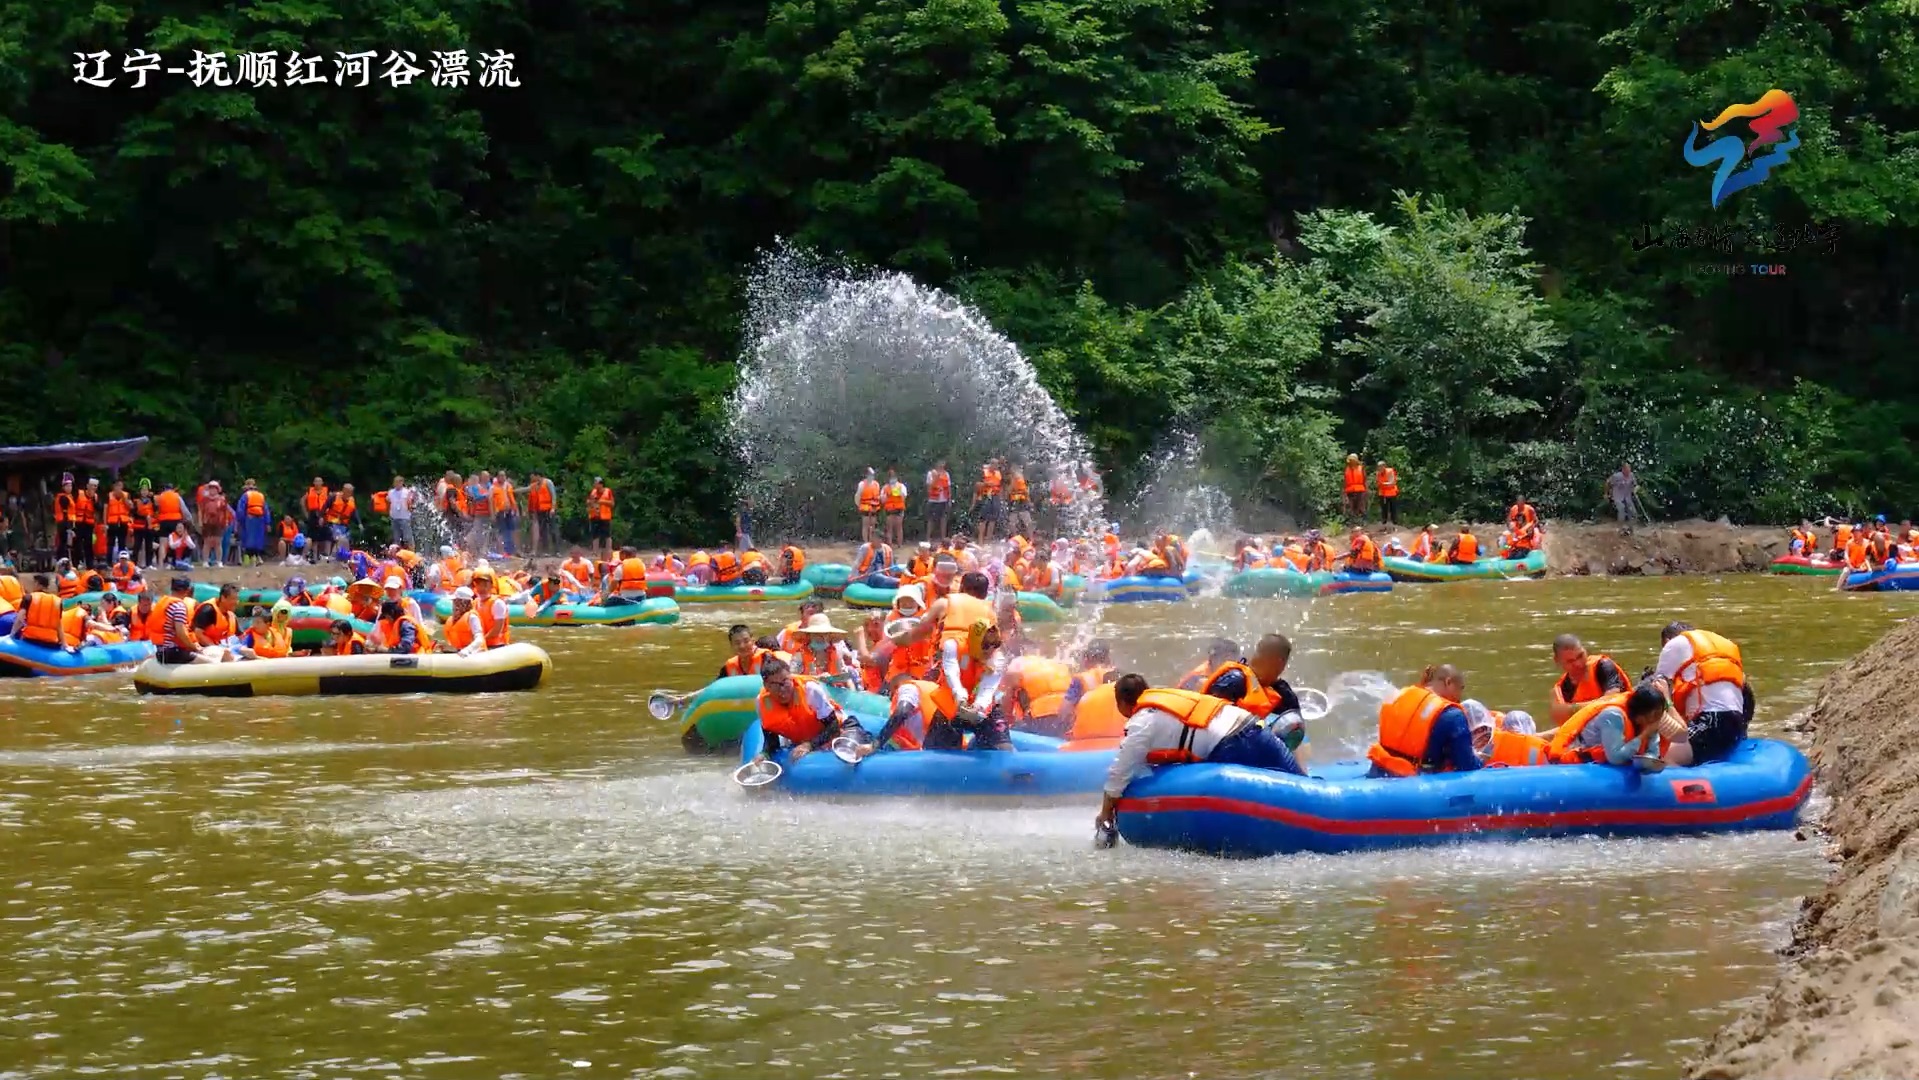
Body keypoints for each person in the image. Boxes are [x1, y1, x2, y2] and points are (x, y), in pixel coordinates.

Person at [1093, 675, 1306, 834]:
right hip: (1254, 726)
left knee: (1254, 811)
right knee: (1302, 786)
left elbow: (1119, 772)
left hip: (1230, 744)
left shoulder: (1141, 722)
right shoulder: (1169, 699)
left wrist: (1105, 813)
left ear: (1121, 704)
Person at [1651, 622, 1751, 765]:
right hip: (1736, 726)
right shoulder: (1723, 646)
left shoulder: (1673, 645)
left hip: (1711, 724)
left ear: (1666, 642)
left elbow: (1654, 694)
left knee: (1662, 759)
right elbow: (1746, 692)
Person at [1366, 664, 1481, 776]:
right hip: (1411, 782)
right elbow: (1466, 767)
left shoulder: (1400, 696)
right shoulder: (1453, 716)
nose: (1460, 697)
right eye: (1460, 688)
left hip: (1377, 770)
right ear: (1448, 682)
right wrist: (1483, 757)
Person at [1198, 633, 1307, 750]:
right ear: (1280, 663)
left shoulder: (1285, 695)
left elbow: (1295, 737)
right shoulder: (1233, 681)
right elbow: (1205, 727)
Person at [751, 658, 870, 764]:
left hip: (842, 729)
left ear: (791, 678)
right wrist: (765, 754)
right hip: (809, 739)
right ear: (766, 686)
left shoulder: (810, 690)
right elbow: (772, 742)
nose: (782, 689)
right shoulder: (761, 703)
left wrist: (809, 745)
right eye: (775, 685)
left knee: (848, 759)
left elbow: (833, 727)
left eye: (785, 682)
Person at [1544, 681, 1682, 766]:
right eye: (1655, 715)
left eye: (1660, 714)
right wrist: (1644, 735)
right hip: (1575, 759)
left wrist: (1649, 761)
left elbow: (1654, 751)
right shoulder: (1613, 716)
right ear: (1642, 714)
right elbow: (1615, 758)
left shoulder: (1650, 718)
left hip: (1608, 759)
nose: (1658, 720)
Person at [1547, 634, 1631, 723]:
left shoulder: (1602, 666)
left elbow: (1612, 700)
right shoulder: (1562, 689)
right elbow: (1566, 726)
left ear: (1585, 650)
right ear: (1557, 661)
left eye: (1580, 656)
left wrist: (1572, 709)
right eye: (1570, 661)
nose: (1578, 664)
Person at [8, 576, 70, 652]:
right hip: (50, 642)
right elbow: (59, 625)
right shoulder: (57, 601)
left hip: (30, 639)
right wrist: (65, 644)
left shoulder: (29, 597)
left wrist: (11, 635)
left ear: (38, 584)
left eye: (34, 583)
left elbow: (20, 619)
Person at [440, 587, 488, 655]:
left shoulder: (472, 617)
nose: (454, 604)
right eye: (454, 601)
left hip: (476, 654)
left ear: (463, 602)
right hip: (459, 653)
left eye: (456, 601)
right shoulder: (453, 619)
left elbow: (479, 639)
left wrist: (468, 650)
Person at [525, 471, 556, 557]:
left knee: (553, 530)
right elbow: (525, 489)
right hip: (540, 511)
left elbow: (553, 495)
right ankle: (546, 551)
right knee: (543, 531)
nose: (531, 479)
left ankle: (557, 550)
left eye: (532, 477)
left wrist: (553, 508)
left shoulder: (548, 482)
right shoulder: (534, 485)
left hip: (549, 509)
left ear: (537, 476)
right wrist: (512, 491)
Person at [971, 462, 1002, 543]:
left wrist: (1001, 498)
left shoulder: (998, 473)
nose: (996, 466)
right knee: (983, 520)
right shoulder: (983, 472)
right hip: (985, 497)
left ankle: (988, 541)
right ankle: (980, 541)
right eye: (994, 464)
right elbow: (976, 485)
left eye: (997, 465)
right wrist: (986, 484)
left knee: (993, 520)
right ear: (991, 464)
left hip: (995, 497)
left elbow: (1000, 487)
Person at [586, 477, 614, 561]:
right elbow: (589, 501)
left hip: (605, 516)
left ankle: (608, 550)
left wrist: (602, 502)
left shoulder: (607, 491)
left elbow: (612, 503)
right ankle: (595, 551)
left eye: (596, 483)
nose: (594, 484)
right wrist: (589, 502)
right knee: (595, 534)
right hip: (594, 515)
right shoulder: (593, 492)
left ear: (601, 484)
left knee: (607, 534)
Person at [925, 460, 952, 543]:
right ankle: (928, 538)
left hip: (943, 499)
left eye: (943, 463)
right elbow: (929, 487)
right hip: (933, 499)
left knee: (943, 519)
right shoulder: (931, 474)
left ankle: (943, 538)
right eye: (940, 463)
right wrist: (936, 478)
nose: (942, 465)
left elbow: (949, 487)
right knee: (931, 519)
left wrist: (949, 499)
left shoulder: (946, 474)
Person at [880, 468, 908, 548]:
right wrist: (888, 495)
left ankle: (899, 544)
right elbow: (882, 500)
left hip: (899, 509)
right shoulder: (885, 488)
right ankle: (890, 544)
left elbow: (904, 497)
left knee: (899, 527)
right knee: (889, 528)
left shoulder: (901, 486)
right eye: (890, 476)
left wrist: (896, 492)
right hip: (889, 510)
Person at [384, 476, 414, 549]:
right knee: (396, 537)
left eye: (398, 482)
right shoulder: (391, 492)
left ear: (402, 483)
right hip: (394, 517)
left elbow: (411, 504)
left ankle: (411, 552)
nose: (396, 484)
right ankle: (397, 555)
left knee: (407, 537)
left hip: (404, 517)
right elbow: (388, 503)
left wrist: (411, 506)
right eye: (395, 482)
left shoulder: (407, 492)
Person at [1606, 463, 1638, 529]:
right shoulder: (1617, 476)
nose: (1628, 472)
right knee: (1622, 510)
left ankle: (1629, 529)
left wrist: (1635, 489)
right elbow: (1607, 482)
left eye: (1629, 470)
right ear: (1623, 469)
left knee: (1633, 513)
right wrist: (1606, 494)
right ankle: (1620, 529)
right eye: (1626, 470)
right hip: (1618, 497)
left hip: (1627, 497)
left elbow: (1635, 485)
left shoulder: (1631, 475)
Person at [1005, 467, 1034, 539]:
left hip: (1023, 503)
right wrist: (1012, 482)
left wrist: (1029, 502)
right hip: (1013, 503)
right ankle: (1015, 538)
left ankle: (1031, 539)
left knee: (1028, 522)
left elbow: (1026, 493)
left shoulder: (1022, 481)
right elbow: (1007, 492)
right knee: (1012, 522)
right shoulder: (1009, 480)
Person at [856, 468, 882, 544]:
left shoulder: (876, 484)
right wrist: (859, 505)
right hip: (865, 507)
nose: (872, 476)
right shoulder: (862, 484)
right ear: (867, 475)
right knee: (865, 525)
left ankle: (872, 541)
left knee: (873, 525)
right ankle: (865, 542)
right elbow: (858, 496)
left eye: (873, 474)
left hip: (874, 507)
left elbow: (878, 495)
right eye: (870, 474)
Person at [1342, 453, 1367, 519]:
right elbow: (1344, 481)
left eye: (1353, 460)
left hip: (1360, 490)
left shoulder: (1361, 468)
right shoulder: (1347, 469)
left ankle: (1362, 521)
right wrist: (1343, 492)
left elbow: (1365, 479)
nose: (1351, 461)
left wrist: (1366, 490)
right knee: (1351, 507)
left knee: (1360, 507)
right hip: (1349, 491)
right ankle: (1353, 521)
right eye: (1350, 460)